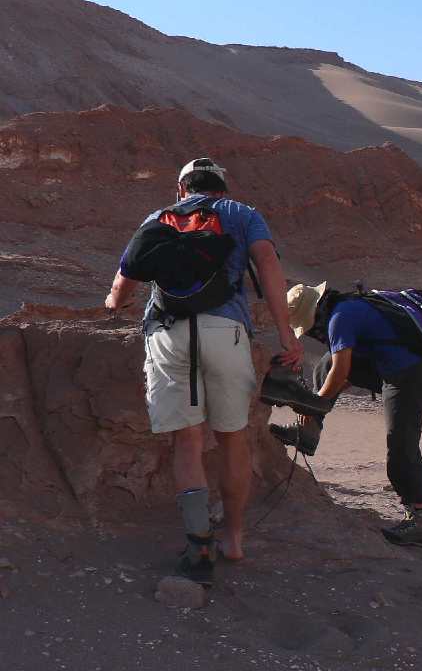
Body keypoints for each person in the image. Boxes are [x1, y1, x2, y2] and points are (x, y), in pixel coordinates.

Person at [104, 158, 302, 583]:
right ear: (223, 189)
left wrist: (112, 304)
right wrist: (287, 333)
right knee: (232, 439)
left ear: (180, 188)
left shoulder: (159, 218)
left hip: (168, 333)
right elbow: (266, 263)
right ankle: (233, 538)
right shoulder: (242, 214)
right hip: (226, 331)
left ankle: (199, 544)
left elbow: (123, 287)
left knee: (187, 441)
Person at [285, 282, 422, 546]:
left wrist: (314, 405)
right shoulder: (345, 310)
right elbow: (343, 370)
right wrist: (320, 402)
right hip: (387, 371)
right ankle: (309, 433)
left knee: (401, 444)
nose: (311, 333)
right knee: (326, 362)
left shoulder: (341, 317)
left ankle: (418, 518)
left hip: (409, 378)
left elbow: (342, 371)